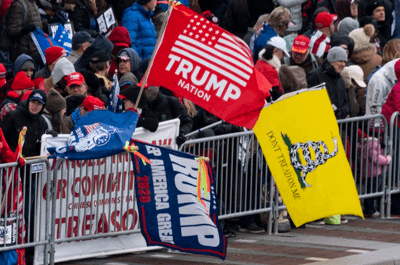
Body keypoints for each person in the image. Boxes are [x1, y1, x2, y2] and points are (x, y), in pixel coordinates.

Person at [2, 89, 48, 157]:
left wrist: (49, 137)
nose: (35, 106)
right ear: (28, 102)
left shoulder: (42, 123)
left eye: (39, 104)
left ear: (42, 107)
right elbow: (2, 139)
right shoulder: (12, 116)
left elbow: (41, 147)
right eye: (33, 102)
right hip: (12, 163)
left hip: (31, 163)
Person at [307, 47, 350, 120]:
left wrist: (342, 113)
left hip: (338, 123)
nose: (343, 64)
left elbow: (345, 101)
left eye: (344, 62)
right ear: (331, 61)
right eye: (340, 61)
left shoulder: (339, 78)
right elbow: (312, 102)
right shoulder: (315, 75)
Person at [357, 129, 391, 218]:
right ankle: (370, 210)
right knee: (374, 191)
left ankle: (368, 209)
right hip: (375, 171)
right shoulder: (374, 144)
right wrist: (387, 159)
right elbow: (375, 158)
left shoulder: (362, 143)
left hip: (366, 171)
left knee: (369, 190)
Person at [5, 0, 43, 65]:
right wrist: (23, 30)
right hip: (24, 55)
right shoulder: (19, 5)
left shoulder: (33, 3)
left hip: (35, 52)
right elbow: (11, 30)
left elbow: (37, 25)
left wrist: (48, 23)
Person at [256, 36, 290, 100]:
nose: (283, 57)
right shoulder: (269, 69)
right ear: (275, 50)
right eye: (283, 53)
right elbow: (277, 93)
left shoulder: (260, 62)